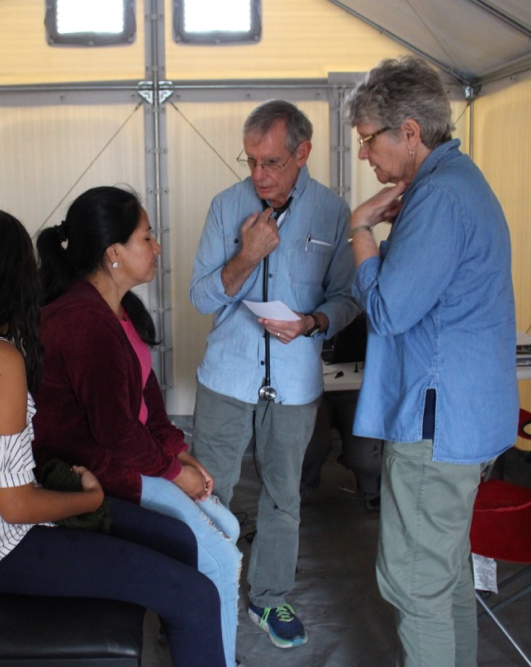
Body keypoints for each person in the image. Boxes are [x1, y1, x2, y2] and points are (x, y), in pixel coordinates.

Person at [0, 208, 224, 667]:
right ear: (16, 276)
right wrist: (90, 499)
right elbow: (16, 506)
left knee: (175, 538)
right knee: (196, 596)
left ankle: (181, 645)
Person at [344, 56, 519, 666]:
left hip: (436, 425)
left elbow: (390, 311)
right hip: (464, 417)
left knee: (416, 584)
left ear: (409, 132)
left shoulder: (439, 196)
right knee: (442, 576)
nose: (365, 156)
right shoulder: (456, 181)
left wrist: (360, 231)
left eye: (368, 140)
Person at [34, 186, 241, 667]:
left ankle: (199, 633)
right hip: (98, 470)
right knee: (222, 558)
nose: (157, 247)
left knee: (226, 524)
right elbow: (115, 435)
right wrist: (174, 473)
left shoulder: (117, 310)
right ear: (114, 253)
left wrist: (178, 450)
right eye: (147, 237)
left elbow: (149, 400)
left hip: (131, 457)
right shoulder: (81, 321)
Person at [189, 99, 358, 648]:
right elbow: (200, 295)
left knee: (284, 495)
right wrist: (246, 254)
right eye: (252, 161)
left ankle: (269, 599)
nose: (259, 175)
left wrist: (313, 321)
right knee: (208, 491)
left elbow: (348, 298)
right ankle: (198, 598)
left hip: (295, 384)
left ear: (302, 153)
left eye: (272, 163)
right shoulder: (225, 207)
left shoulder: (333, 212)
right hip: (228, 377)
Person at [300, 314, 382, 511]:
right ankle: (297, 490)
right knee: (312, 446)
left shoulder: (361, 310)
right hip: (308, 388)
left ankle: (372, 488)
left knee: (363, 456)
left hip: (354, 387)